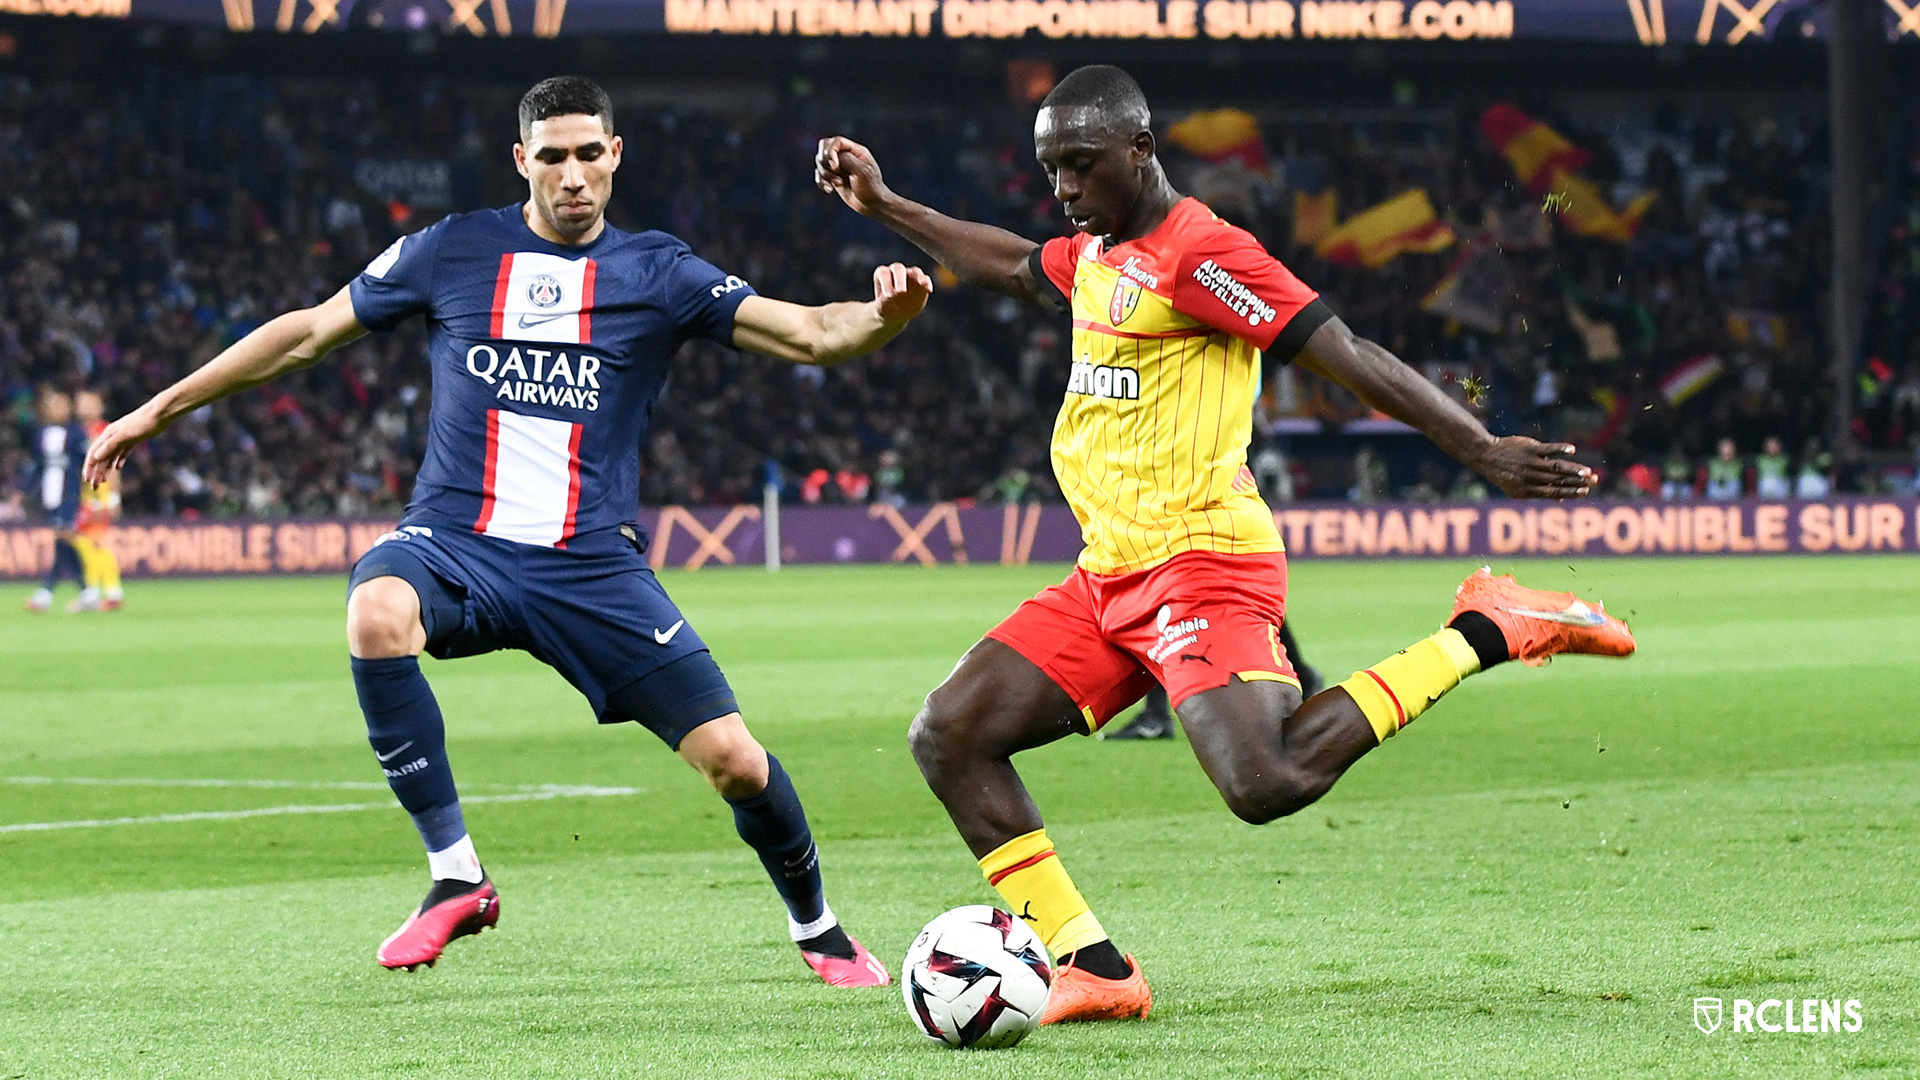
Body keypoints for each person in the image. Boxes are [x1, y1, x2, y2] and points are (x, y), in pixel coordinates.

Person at [815, 64, 1635, 1024]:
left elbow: (1349, 354)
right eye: (1050, 172)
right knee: (950, 737)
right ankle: (1097, 966)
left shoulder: (1203, 255)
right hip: (1109, 572)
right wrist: (884, 205)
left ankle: (1485, 628)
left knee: (1265, 780)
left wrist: (1481, 447)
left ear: (1141, 150)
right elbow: (1008, 262)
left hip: (1202, 561)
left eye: (1080, 167)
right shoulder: (1099, 253)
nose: (1065, 191)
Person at [87, 76, 929, 986]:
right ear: (522, 161)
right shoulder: (451, 250)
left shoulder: (661, 272)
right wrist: (156, 411)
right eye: (554, 157)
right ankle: (456, 877)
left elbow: (810, 332)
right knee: (374, 610)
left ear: (616, 157)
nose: (573, 176)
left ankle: (820, 927)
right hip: (456, 544)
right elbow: (305, 334)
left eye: (590, 154)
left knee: (733, 762)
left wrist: (884, 320)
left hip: (589, 565)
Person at [26, 389, 86, 614]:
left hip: (69, 494)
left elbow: (83, 463)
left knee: (62, 538)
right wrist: (24, 491)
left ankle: (46, 591)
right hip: (50, 494)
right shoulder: (41, 434)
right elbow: (38, 465)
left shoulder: (76, 433)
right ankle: (86, 590)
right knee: (64, 543)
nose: (57, 410)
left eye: (61, 405)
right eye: (52, 406)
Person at [67, 390, 125, 613]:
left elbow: (113, 465)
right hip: (85, 495)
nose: (83, 407)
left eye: (88, 402)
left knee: (96, 542)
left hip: (99, 493)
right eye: (80, 402)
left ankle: (107, 593)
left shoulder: (103, 430)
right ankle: (101, 592)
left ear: (99, 405)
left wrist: (113, 497)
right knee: (85, 542)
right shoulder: (78, 431)